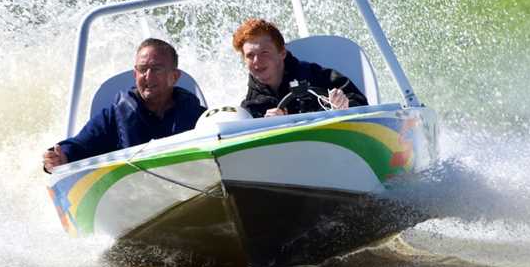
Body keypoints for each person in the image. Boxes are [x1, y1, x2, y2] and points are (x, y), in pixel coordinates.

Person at [43, 38, 206, 173]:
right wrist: (60, 157)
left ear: (174, 76)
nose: (148, 76)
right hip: (134, 196)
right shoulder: (114, 116)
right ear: (135, 75)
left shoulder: (197, 114)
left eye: (156, 69)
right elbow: (79, 145)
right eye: (142, 70)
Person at [232, 18, 367, 118]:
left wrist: (345, 106)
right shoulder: (249, 109)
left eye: (264, 53)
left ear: (282, 53)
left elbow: (364, 106)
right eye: (250, 55)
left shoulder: (316, 76)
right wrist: (267, 126)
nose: (257, 61)